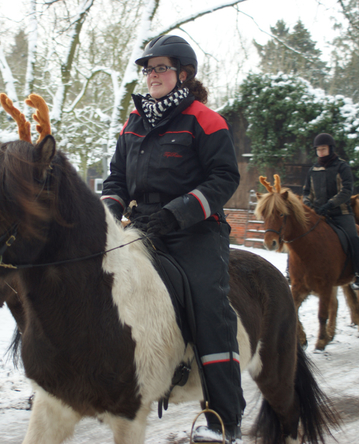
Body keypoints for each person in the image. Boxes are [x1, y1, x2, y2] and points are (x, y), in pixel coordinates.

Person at [101, 35, 244, 444]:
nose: (152, 76)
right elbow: (116, 180)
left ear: (183, 73)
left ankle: (223, 418)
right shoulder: (133, 121)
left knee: (209, 308)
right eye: (148, 69)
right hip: (143, 227)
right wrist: (107, 217)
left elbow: (224, 178)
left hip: (195, 231)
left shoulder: (206, 119)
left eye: (161, 68)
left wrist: (175, 213)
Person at [302, 133, 359, 290]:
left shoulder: (342, 167)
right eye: (318, 150)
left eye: (323, 149)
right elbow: (306, 192)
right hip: (318, 213)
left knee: (354, 238)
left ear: (330, 149)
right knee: (300, 234)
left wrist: (330, 204)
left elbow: (346, 191)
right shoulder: (313, 169)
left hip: (341, 213)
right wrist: (310, 206)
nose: (321, 152)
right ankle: (291, 271)